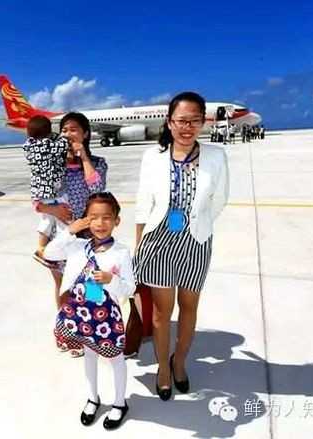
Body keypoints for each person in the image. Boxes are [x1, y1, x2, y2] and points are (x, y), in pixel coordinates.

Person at [133, 91, 229, 401]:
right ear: (169, 123)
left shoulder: (216, 156)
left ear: (204, 121)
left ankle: (179, 361)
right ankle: (162, 367)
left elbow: (220, 199)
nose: (187, 127)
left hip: (196, 241)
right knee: (163, 313)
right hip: (158, 241)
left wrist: (196, 222)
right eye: (181, 120)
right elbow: (142, 203)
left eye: (194, 120)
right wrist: (138, 247)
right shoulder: (152, 157)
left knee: (189, 308)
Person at [45, 192, 135, 430]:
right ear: (86, 219)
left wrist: (110, 279)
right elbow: (50, 253)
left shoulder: (122, 252)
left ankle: (119, 403)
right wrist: (71, 230)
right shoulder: (77, 246)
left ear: (117, 221)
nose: (100, 223)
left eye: (107, 217)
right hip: (81, 315)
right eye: (93, 217)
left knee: (115, 357)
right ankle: (93, 397)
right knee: (90, 355)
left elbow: (130, 287)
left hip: (106, 317)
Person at [36, 112, 108, 317]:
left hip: (91, 234)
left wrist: (83, 156)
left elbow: (98, 189)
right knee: (63, 285)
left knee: (94, 283)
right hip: (61, 235)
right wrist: (54, 210)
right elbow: (39, 202)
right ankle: (66, 330)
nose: (67, 134)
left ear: (85, 134)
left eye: (73, 129)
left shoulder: (98, 162)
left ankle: (94, 325)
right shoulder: (52, 167)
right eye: (64, 130)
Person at [22, 115, 69, 267]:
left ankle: (41, 248)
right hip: (51, 190)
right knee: (63, 222)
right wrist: (60, 136)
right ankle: (60, 253)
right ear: (49, 132)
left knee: (46, 221)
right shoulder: (49, 145)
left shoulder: (28, 146)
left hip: (38, 190)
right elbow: (63, 144)